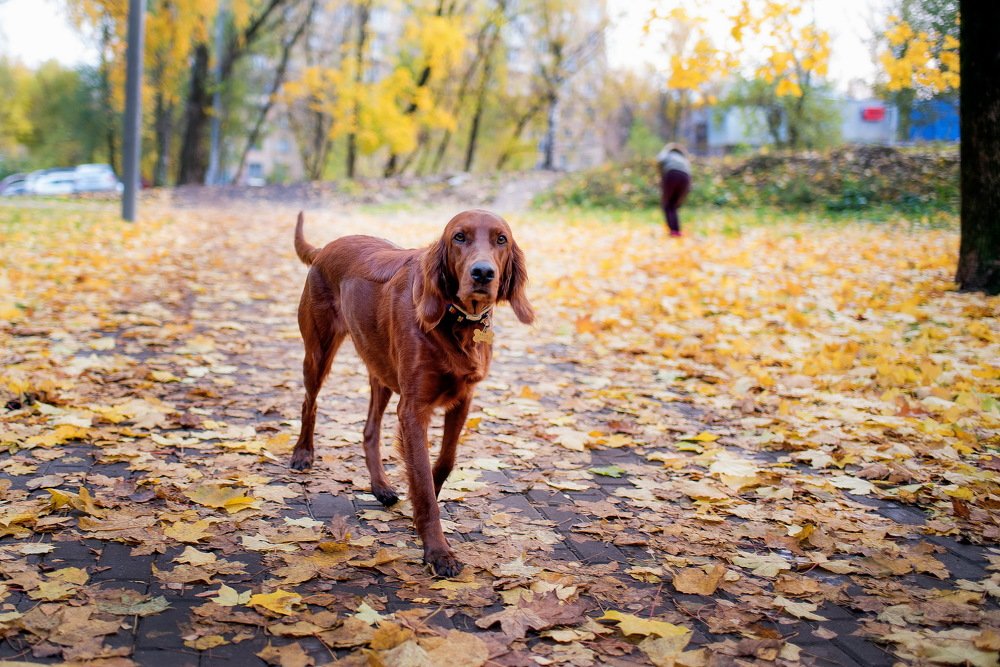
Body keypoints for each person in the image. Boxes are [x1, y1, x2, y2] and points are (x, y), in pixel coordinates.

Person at [656, 143, 691, 237]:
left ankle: (673, 231)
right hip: (686, 178)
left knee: (667, 205)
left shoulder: (668, 154)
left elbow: (659, 160)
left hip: (671, 174)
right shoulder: (683, 158)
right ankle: (676, 230)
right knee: (674, 205)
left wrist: (661, 176)